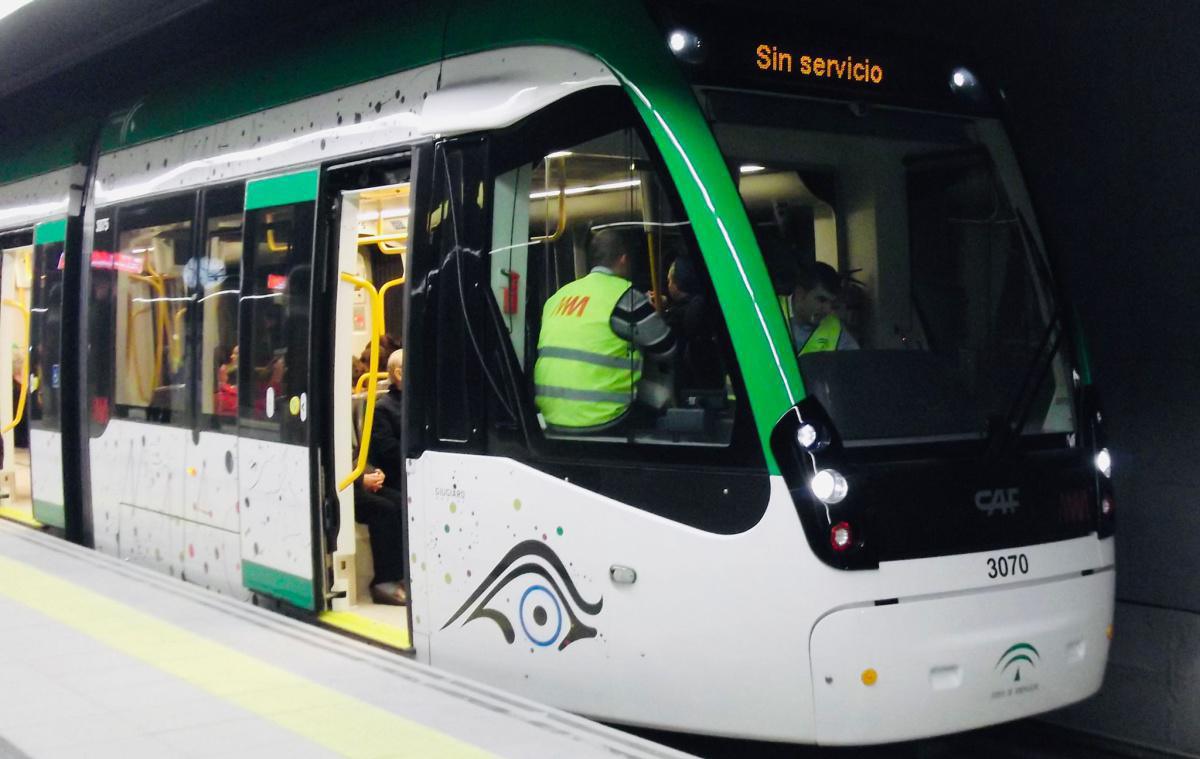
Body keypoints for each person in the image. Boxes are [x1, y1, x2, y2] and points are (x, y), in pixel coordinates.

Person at [533, 227, 675, 431]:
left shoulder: (558, 297)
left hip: (551, 418)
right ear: (623, 260)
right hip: (603, 420)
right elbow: (667, 348)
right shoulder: (626, 297)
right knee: (659, 411)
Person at [355, 348, 407, 606]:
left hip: (393, 475)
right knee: (392, 506)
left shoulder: (416, 405)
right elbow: (387, 452)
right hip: (392, 476)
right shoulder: (383, 409)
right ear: (398, 373)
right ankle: (388, 578)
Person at [791, 261, 859, 353]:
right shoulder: (769, 314)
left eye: (832, 303)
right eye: (821, 300)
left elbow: (855, 363)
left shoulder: (835, 329)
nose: (828, 309)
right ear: (800, 294)